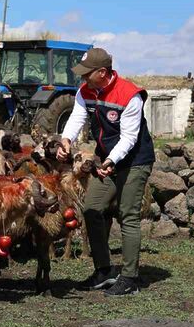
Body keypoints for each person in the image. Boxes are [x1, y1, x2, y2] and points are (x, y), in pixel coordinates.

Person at [58, 47, 155, 296]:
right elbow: (77, 117)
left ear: (102, 72)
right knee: (92, 209)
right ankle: (104, 271)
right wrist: (66, 140)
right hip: (107, 159)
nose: (82, 78)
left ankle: (130, 278)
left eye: (86, 74)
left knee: (128, 215)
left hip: (134, 160)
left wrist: (111, 160)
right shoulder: (86, 90)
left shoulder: (130, 95)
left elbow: (129, 138)